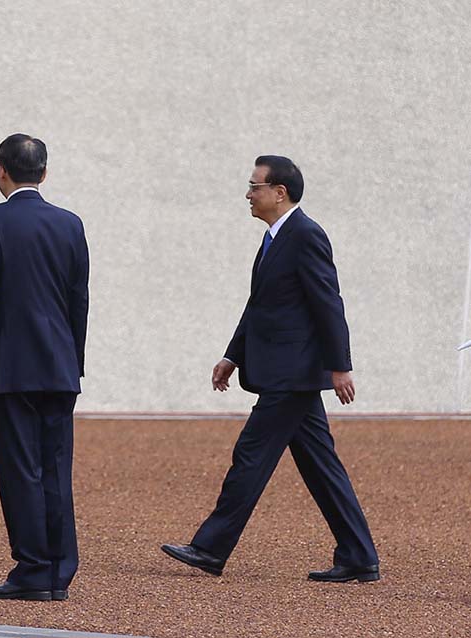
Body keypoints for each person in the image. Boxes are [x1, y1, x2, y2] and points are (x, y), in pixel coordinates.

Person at [161, 155, 379, 583]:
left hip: (292, 375)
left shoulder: (306, 235)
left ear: (279, 192)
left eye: (254, 186)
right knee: (322, 467)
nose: (248, 193)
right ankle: (358, 555)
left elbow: (328, 303)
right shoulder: (274, 239)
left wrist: (340, 367)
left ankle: (210, 547)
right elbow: (260, 307)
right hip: (285, 373)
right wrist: (232, 355)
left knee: (251, 456)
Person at [0, 133, 89, 600]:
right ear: (45, 173)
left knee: (20, 470)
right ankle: (58, 571)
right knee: (55, 468)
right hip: (59, 366)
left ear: (1, 171)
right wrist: (76, 362)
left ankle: (32, 568)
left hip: (12, 366)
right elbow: (79, 300)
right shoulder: (71, 224)